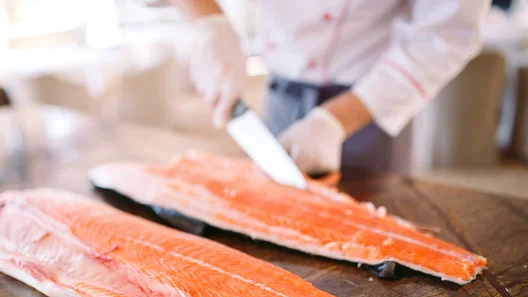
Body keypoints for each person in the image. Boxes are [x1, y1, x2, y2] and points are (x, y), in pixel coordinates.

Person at [169, 0, 491, 174]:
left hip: (375, 98)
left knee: (374, 231)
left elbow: (445, 34)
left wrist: (335, 120)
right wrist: (208, 22)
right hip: (280, 90)